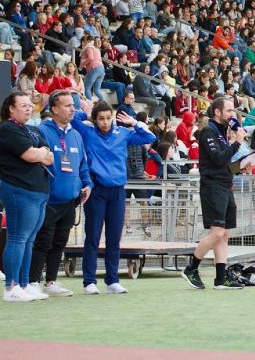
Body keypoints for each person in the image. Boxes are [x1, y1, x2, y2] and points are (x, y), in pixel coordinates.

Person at [71, 101, 156, 295]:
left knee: (114, 238)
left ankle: (112, 280)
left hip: (117, 190)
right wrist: (85, 114)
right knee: (92, 236)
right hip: (97, 190)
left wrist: (134, 121)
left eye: (109, 118)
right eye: (101, 118)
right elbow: (73, 120)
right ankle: (89, 281)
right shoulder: (88, 133)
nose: (105, 122)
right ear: (95, 119)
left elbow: (150, 136)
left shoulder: (123, 134)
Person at [28, 91, 92, 298]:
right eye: (67, 105)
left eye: (73, 105)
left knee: (59, 243)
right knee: (42, 242)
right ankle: (32, 281)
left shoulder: (76, 135)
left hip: (70, 200)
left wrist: (87, 184)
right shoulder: (42, 131)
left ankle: (51, 281)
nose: (73, 109)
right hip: (47, 199)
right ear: (54, 109)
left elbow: (83, 165)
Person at [181, 97, 246, 290]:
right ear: (217, 112)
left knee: (224, 233)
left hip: (225, 184)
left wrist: (241, 164)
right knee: (217, 232)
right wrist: (236, 144)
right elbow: (217, 159)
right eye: (229, 111)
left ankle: (220, 279)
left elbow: (224, 162)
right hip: (212, 186)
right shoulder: (208, 131)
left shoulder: (222, 133)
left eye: (233, 111)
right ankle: (191, 268)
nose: (232, 115)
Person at [0, 91, 54, 302]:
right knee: (17, 238)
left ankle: (24, 284)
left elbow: (49, 155)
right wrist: (39, 153)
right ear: (10, 108)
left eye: (29, 104)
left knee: (29, 240)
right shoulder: (7, 129)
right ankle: (11, 287)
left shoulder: (30, 129)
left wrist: (40, 153)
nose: (28, 107)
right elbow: (31, 154)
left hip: (38, 190)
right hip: (19, 189)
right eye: (22, 105)